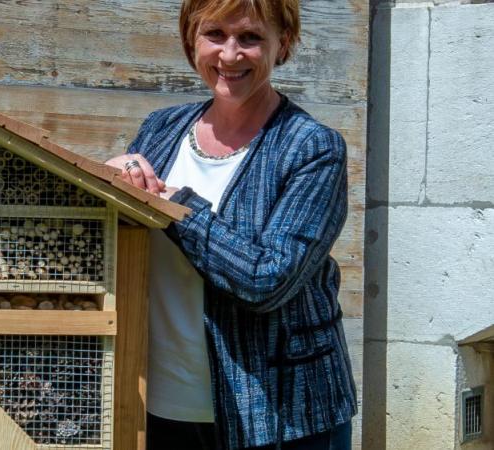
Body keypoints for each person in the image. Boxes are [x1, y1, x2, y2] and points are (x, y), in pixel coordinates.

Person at [106, 0, 357, 448]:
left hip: (279, 415)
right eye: (215, 34)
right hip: (161, 405)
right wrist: (109, 179)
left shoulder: (312, 149)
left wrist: (174, 204)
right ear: (191, 39)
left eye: (251, 38)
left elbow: (269, 279)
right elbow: (122, 240)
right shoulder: (161, 129)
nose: (230, 54)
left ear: (283, 45)